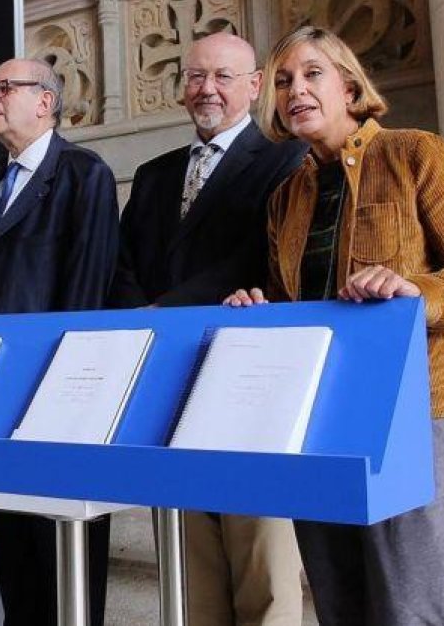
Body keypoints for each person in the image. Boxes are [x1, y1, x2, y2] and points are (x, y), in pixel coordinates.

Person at [225, 25, 444, 625]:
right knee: (338, 605)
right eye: (282, 82)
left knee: (408, 609)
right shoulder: (286, 196)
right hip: (319, 418)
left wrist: (420, 288)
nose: (294, 90)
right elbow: (295, 305)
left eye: (311, 74)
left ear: (350, 85)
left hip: (412, 411)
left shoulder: (415, 153)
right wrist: (261, 316)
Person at [112, 32, 308, 625]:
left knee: (261, 560)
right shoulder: (152, 175)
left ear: (254, 87)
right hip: (166, 380)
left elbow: (261, 255)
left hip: (245, 375)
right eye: (196, 76)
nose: (208, 89)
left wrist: (166, 311)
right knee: (188, 559)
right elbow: (121, 263)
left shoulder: (286, 158)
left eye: (224, 76)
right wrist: (141, 316)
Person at [0, 57, 120, 626]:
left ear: (45, 101)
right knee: (17, 564)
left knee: (62, 571)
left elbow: (87, 295)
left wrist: (63, 398)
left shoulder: (84, 174)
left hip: (57, 408)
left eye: (3, 87)